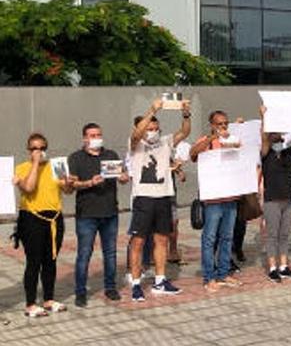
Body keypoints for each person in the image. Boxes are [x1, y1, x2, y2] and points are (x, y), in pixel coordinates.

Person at [129, 99, 190, 300]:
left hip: (164, 196)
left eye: (156, 128)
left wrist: (186, 114)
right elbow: (137, 134)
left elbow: (185, 132)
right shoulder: (136, 144)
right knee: (138, 242)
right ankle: (136, 284)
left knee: (161, 240)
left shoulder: (165, 142)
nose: (152, 131)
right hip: (143, 198)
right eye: (149, 128)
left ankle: (160, 280)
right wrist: (152, 110)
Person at [68, 123, 129, 307]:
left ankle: (110, 288)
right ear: (84, 138)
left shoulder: (111, 155)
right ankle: (80, 291)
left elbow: (124, 177)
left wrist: (124, 178)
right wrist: (89, 183)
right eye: (92, 135)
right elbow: (71, 185)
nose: (96, 138)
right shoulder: (76, 158)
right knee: (84, 254)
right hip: (86, 214)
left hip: (110, 212)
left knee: (110, 253)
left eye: (98, 134)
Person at [13, 133, 73, 317]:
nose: (39, 152)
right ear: (29, 151)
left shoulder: (56, 166)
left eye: (42, 148)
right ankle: (30, 304)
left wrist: (69, 183)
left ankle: (48, 299)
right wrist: (35, 166)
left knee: (51, 260)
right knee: (34, 262)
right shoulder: (22, 168)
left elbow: (68, 190)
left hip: (54, 218)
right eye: (34, 148)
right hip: (32, 219)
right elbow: (29, 187)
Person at [189, 110, 243, 292]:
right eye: (219, 124)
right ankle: (209, 277)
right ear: (212, 125)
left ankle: (223, 273)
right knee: (209, 238)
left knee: (227, 237)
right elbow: (193, 154)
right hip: (212, 200)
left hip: (230, 197)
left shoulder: (232, 141)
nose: (223, 127)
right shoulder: (206, 141)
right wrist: (212, 138)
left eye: (225, 124)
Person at [258, 107, 291, 283]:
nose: (278, 136)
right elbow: (264, 139)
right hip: (272, 199)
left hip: (288, 198)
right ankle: (272, 267)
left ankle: (283, 266)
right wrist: (264, 117)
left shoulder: (288, 151)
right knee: (272, 235)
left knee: (284, 235)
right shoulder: (266, 154)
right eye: (274, 134)